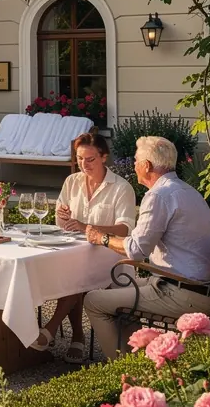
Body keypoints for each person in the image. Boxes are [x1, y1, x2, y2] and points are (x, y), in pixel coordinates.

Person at [84, 135, 210, 360]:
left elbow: (137, 250)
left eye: (136, 161)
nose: (134, 166)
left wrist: (102, 239)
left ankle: (121, 370)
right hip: (203, 289)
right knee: (112, 289)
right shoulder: (187, 191)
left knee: (93, 301)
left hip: (183, 293)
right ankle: (136, 357)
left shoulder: (158, 195)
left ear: (146, 165)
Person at [30, 131, 136, 361]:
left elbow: (125, 230)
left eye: (90, 159)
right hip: (77, 252)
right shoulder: (72, 181)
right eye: (79, 159)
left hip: (111, 256)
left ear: (104, 157)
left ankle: (56, 331)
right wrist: (62, 214)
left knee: (74, 276)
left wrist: (86, 226)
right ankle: (75, 337)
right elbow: (62, 223)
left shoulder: (121, 187)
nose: (84, 164)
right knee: (72, 272)